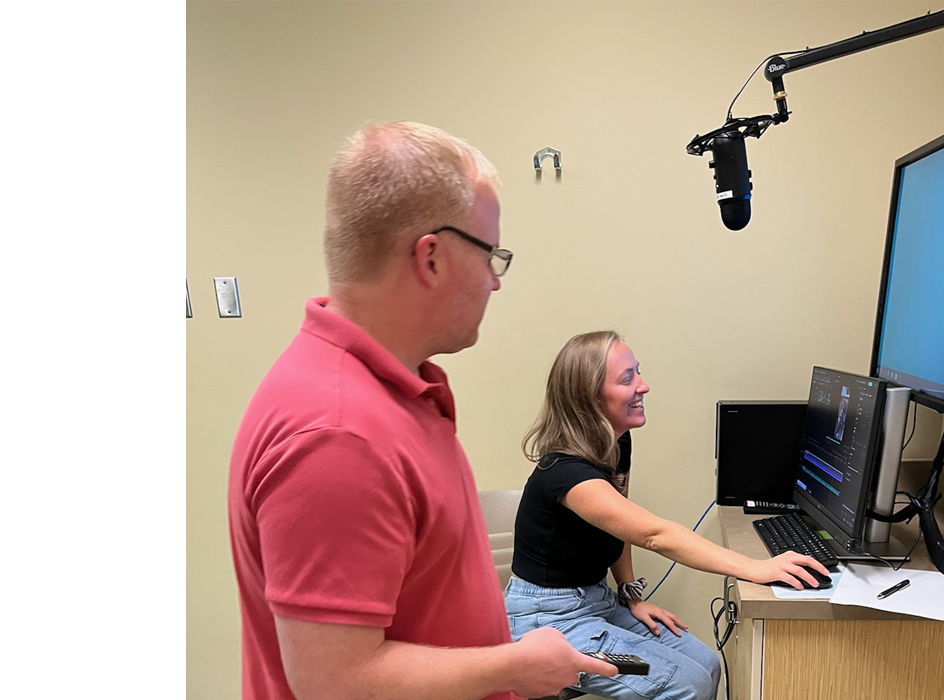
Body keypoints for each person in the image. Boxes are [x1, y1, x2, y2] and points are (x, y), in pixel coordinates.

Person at [227, 122, 615, 700]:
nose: (495, 282)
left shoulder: (391, 394)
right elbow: (335, 682)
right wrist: (514, 666)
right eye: (492, 256)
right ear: (430, 257)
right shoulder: (338, 434)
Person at [505, 331, 831, 700]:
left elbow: (621, 530)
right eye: (627, 379)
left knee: (706, 664)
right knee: (681, 682)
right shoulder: (567, 476)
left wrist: (631, 594)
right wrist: (754, 567)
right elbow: (654, 535)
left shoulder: (615, 443)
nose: (643, 386)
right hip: (552, 625)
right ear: (591, 398)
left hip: (599, 604)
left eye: (637, 373)